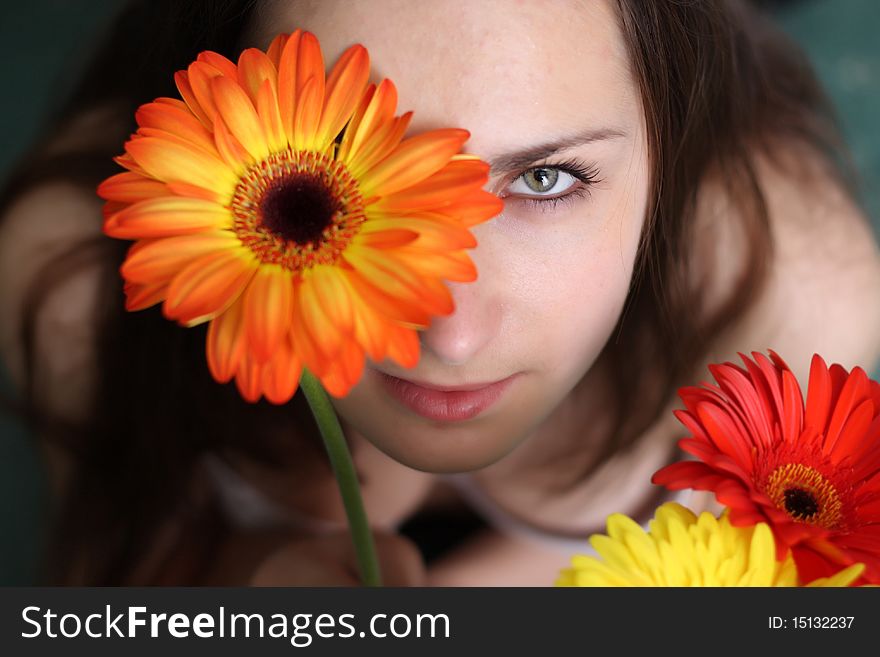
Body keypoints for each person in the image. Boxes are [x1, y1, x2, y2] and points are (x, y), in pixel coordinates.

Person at [1, 0, 880, 586]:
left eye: (543, 178)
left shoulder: (789, 295)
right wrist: (254, 571)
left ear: (669, 144)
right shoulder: (75, 275)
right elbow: (118, 567)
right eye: (352, 175)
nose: (448, 335)